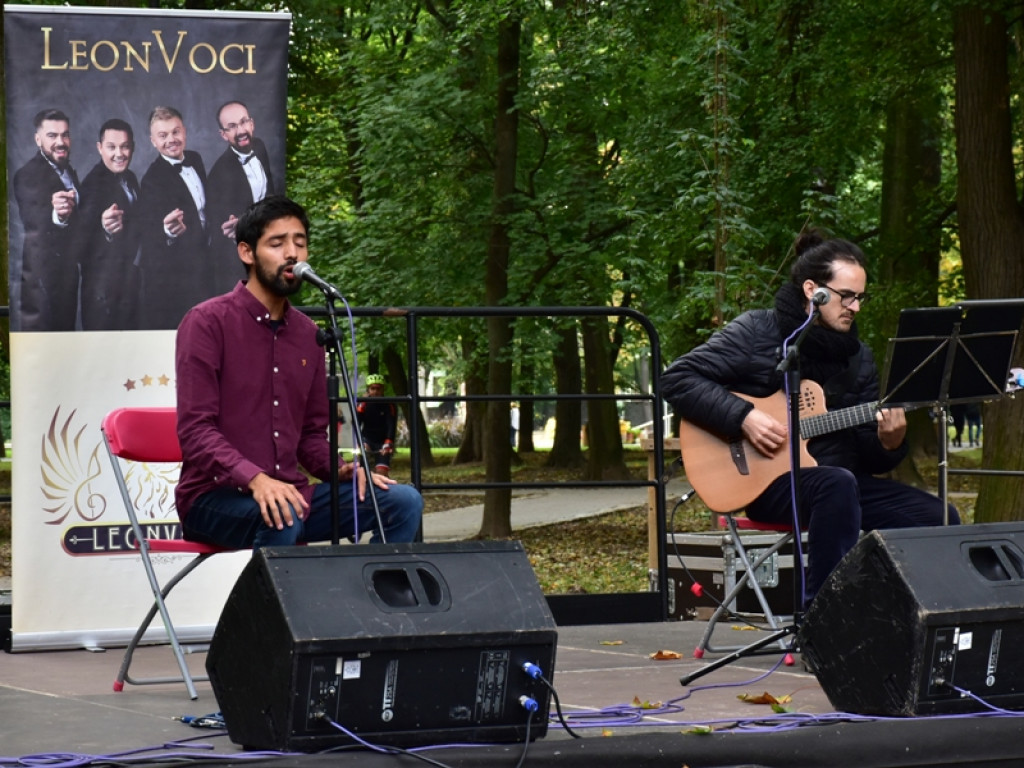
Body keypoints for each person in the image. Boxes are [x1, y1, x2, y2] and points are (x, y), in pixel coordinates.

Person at [661, 230, 959, 605]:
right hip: (770, 482)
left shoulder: (858, 357)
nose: (854, 307)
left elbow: (868, 453)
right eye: (845, 296)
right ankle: (823, 619)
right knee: (836, 485)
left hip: (841, 483)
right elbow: (677, 379)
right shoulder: (758, 331)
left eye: (860, 298)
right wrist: (744, 417)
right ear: (811, 290)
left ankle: (902, 618)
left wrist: (889, 442)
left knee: (938, 517)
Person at [175, 196, 422, 548]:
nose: (293, 253)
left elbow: (309, 435)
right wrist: (256, 479)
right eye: (277, 243)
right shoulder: (207, 322)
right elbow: (195, 430)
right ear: (247, 253)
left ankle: (379, 598)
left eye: (300, 243)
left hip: (291, 496)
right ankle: (261, 605)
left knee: (403, 502)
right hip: (214, 499)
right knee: (282, 515)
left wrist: (339, 469)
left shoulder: (309, 334)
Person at [138, 106, 212, 329]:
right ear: (153, 141)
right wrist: (168, 231)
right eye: (163, 135)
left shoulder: (195, 159)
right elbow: (148, 234)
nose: (171, 139)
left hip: (205, 264)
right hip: (174, 279)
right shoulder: (151, 181)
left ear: (185, 132)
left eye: (175, 132)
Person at [13, 108, 81, 331]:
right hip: (42, 286)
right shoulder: (27, 174)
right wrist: (58, 215)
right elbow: (33, 219)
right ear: (37, 139)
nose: (60, 142)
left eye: (65, 135)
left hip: (67, 280)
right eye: (52, 135)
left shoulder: (68, 170)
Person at [205, 101, 278, 294]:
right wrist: (237, 228)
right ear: (223, 134)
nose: (241, 130)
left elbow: (268, 192)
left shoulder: (260, 147)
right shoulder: (218, 175)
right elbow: (220, 230)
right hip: (239, 265)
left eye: (243, 122)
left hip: (268, 249)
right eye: (232, 127)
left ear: (252, 124)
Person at [77, 119, 143, 330]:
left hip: (128, 287)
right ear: (99, 148)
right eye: (111, 147)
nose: (119, 154)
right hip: (103, 296)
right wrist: (105, 230)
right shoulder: (91, 186)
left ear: (132, 147)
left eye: (124, 146)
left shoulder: (130, 178)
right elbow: (80, 247)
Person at [356, 374, 398, 476]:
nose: (375, 391)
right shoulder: (363, 404)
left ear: (383, 389)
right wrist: (360, 441)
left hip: (383, 441)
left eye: (378, 389)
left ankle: (385, 488)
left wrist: (388, 442)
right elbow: (356, 423)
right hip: (367, 438)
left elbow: (391, 424)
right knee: (363, 471)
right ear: (368, 390)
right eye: (372, 388)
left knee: (381, 472)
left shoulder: (389, 404)